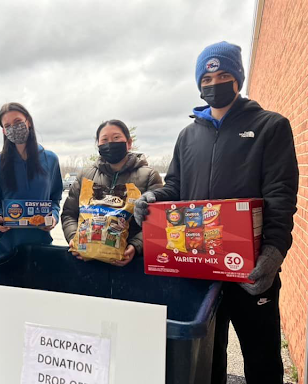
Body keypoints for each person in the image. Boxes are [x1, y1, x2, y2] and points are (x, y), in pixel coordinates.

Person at [134, 41, 299, 384]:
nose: (214, 83)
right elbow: (176, 189)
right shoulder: (188, 135)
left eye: (223, 75)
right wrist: (152, 197)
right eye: (206, 78)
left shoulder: (270, 126)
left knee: (262, 358)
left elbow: (281, 196)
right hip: (199, 267)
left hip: (251, 269)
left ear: (237, 78)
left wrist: (273, 254)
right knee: (207, 360)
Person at [62, 119, 163, 266]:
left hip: (130, 263)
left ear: (129, 143)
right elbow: (69, 214)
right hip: (89, 261)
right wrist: (73, 239)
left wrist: (136, 246)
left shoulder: (149, 176)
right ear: (98, 144)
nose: (110, 143)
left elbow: (158, 221)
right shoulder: (85, 175)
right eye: (104, 139)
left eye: (116, 138)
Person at [0, 102, 63, 257]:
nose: (13, 128)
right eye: (7, 125)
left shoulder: (51, 159)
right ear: (3, 131)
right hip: (5, 247)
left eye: (17, 122)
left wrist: (53, 217)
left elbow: (55, 198)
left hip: (40, 245)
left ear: (28, 121)